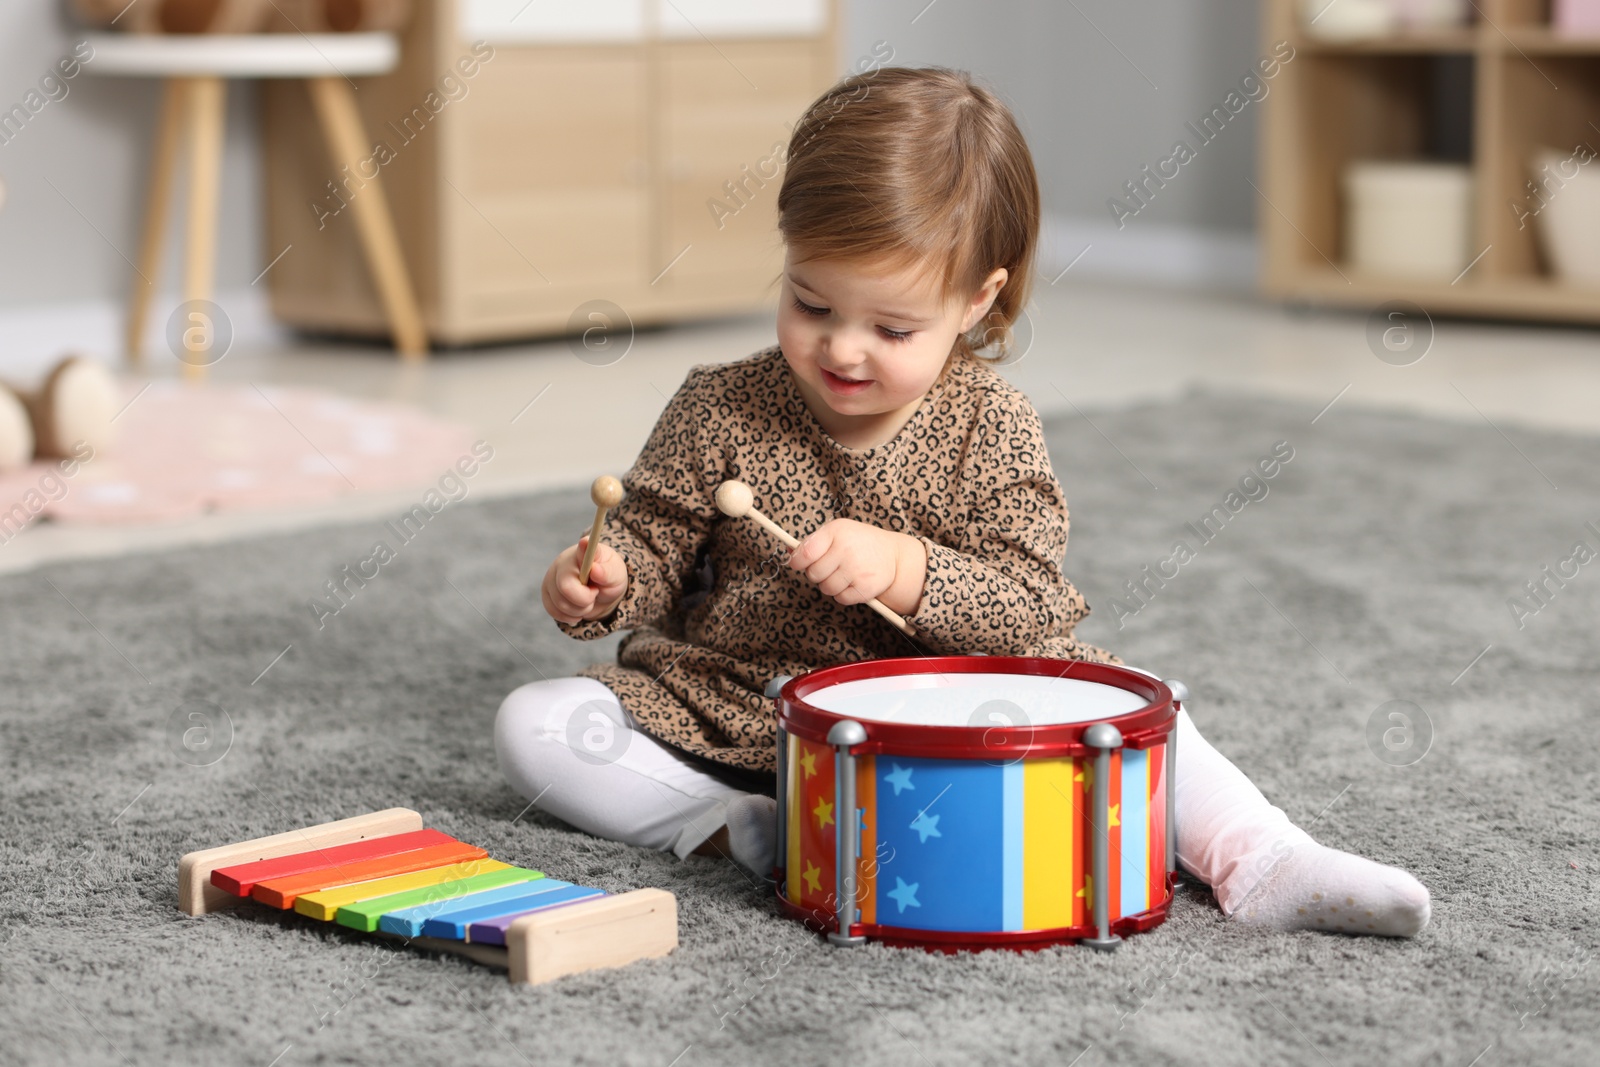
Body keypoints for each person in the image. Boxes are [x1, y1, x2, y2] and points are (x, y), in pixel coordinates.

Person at [497, 67, 1429, 937]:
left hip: (950, 707)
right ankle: (748, 831)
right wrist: (605, 581)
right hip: (740, 710)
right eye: (811, 304)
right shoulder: (718, 404)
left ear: (979, 301)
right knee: (535, 728)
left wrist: (905, 569)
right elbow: (651, 544)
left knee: (1136, 710)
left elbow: (1029, 597)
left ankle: (1264, 858)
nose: (843, 350)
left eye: (893, 326)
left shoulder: (992, 424)